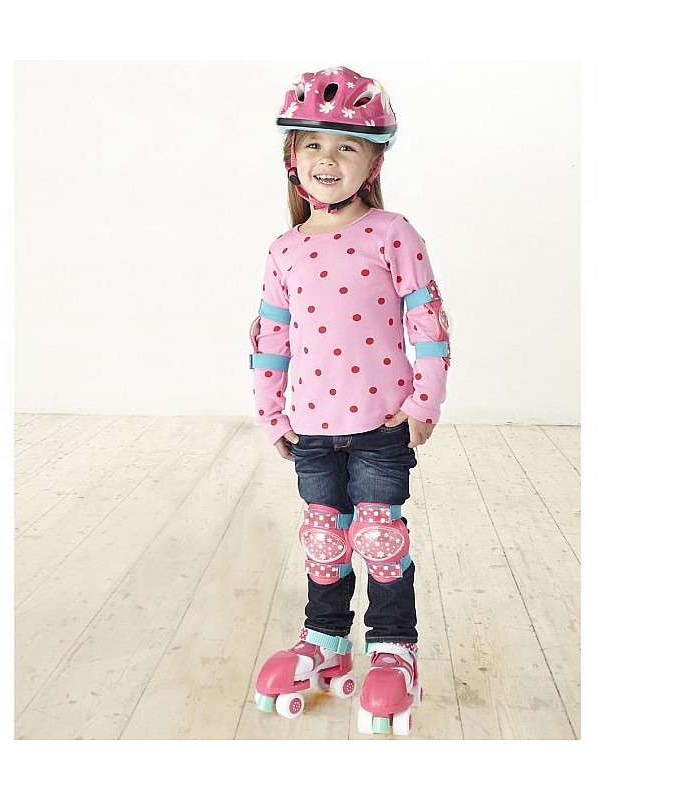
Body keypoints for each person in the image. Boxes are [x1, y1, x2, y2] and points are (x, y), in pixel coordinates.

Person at [248, 66, 451, 735]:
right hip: (310, 426)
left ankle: (393, 649)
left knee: (380, 539)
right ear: (292, 157)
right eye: (313, 144)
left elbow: (428, 321)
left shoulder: (393, 232)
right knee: (324, 541)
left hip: (380, 424)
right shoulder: (284, 249)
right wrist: (270, 412)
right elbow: (272, 337)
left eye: (346, 146)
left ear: (373, 162)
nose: (327, 159)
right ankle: (326, 639)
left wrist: (424, 403)